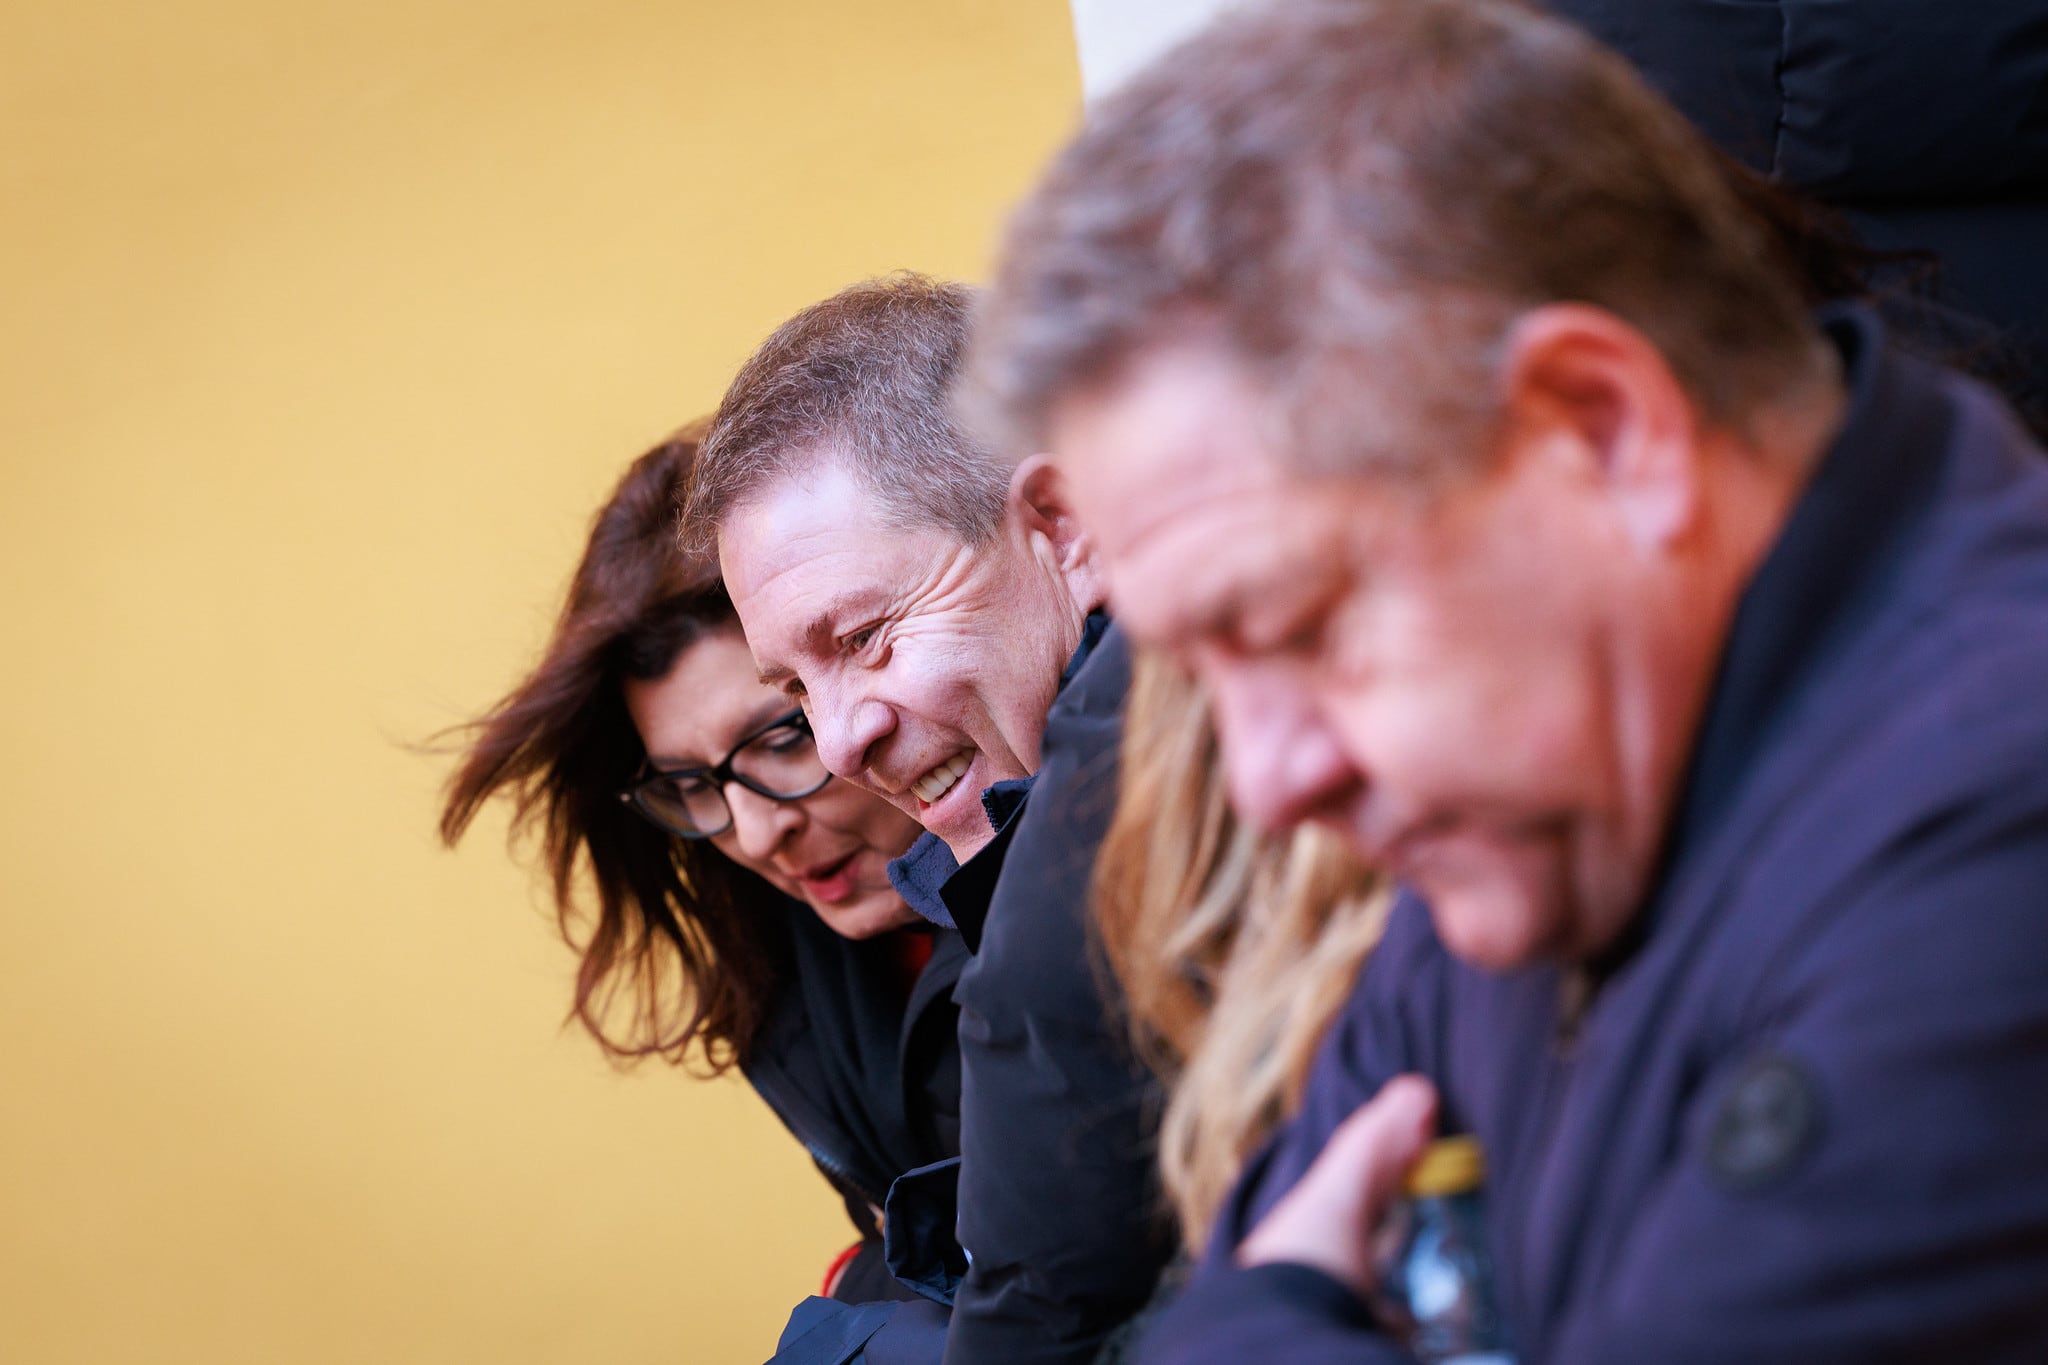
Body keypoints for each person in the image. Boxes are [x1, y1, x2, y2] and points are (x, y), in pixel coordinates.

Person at [968, 1, 2048, 1360]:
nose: (1270, 780)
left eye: (1299, 625)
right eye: (1203, 670)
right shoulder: (1553, 806)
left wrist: (1264, 1318)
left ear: (1602, 432)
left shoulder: (1994, 840)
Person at [682, 275, 1173, 1364]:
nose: (838, 741)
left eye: (862, 638)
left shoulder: (1125, 852)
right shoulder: (1049, 850)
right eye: (797, 692)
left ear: (1060, 528)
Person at [439, 426, 965, 1306]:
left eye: (784, 736)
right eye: (689, 782)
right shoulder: (791, 969)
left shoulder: (1078, 890)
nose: (757, 835)